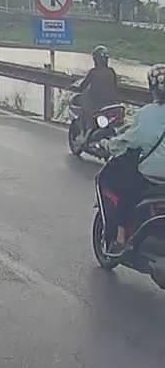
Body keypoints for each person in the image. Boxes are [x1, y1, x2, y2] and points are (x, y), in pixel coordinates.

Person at [101, 64, 165, 252]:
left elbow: (129, 140)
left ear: (152, 88)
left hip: (152, 175)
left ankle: (121, 238)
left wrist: (108, 145)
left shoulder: (147, 113)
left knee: (125, 189)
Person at [74, 46, 119, 145]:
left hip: (97, 104)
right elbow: (115, 86)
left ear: (96, 59)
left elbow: (83, 85)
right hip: (111, 104)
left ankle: (85, 135)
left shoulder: (93, 72)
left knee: (85, 111)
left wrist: (75, 87)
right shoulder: (111, 72)